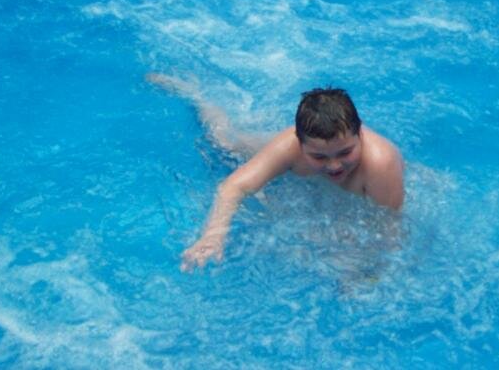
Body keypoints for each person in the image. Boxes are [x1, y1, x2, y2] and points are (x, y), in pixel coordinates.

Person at [146, 74, 405, 271]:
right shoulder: (289, 148)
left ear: (360, 134)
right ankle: (194, 93)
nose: (334, 165)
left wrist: (365, 273)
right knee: (224, 141)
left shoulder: (380, 164)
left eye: (345, 153)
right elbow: (233, 187)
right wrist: (213, 236)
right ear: (299, 143)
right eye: (319, 157)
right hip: (277, 152)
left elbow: (388, 230)